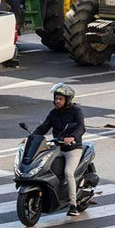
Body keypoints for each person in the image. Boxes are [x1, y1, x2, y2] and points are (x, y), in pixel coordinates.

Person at [30, 83, 85, 216]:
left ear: (67, 100)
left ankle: (73, 205)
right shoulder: (53, 113)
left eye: (60, 99)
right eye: (56, 98)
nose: (57, 101)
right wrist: (30, 138)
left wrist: (72, 137)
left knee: (68, 173)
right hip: (58, 147)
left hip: (73, 149)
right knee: (44, 165)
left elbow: (81, 127)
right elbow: (43, 127)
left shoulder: (76, 111)